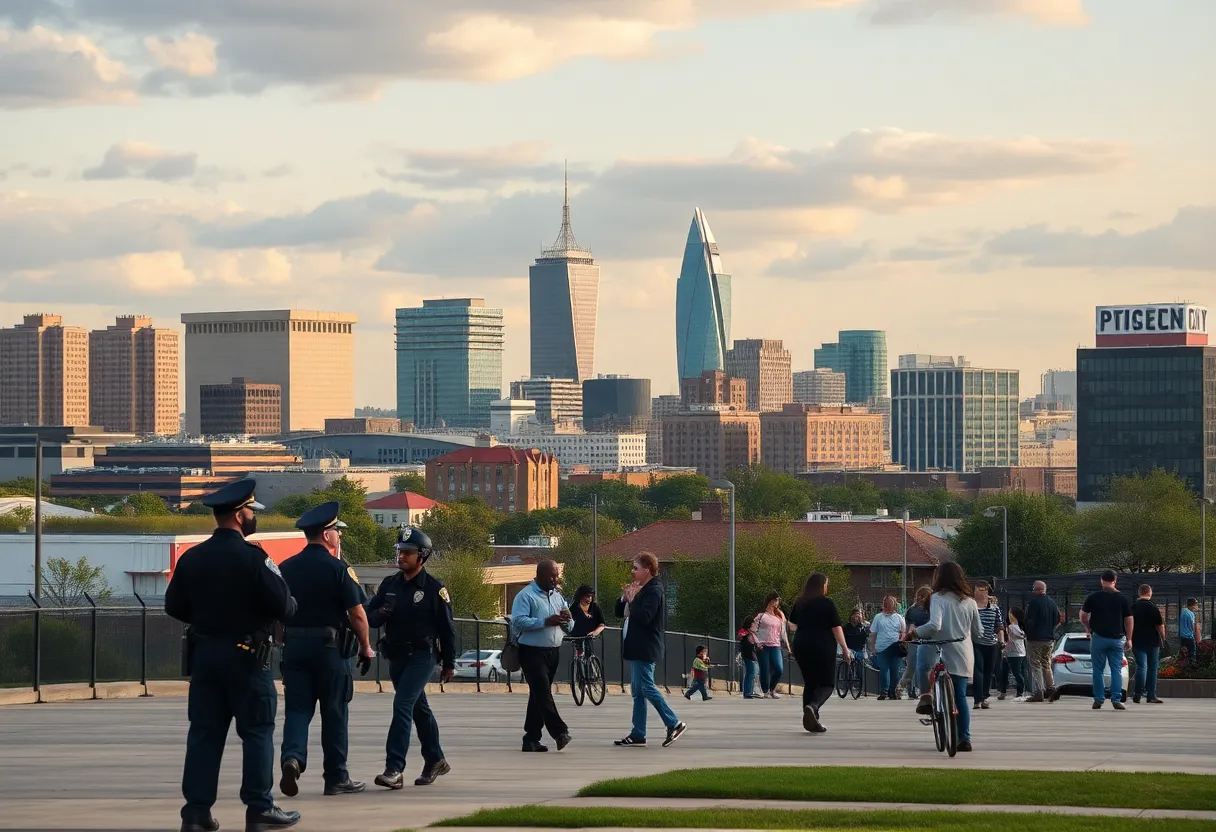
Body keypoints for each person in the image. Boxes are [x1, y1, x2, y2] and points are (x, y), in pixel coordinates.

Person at [164, 478, 301, 832]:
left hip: (205, 655)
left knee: (204, 734)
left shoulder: (193, 556)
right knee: (257, 731)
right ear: (240, 515)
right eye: (251, 511)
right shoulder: (254, 558)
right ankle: (259, 809)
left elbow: (173, 605)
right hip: (246, 656)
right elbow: (284, 606)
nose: (254, 516)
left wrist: (208, 621)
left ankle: (196, 812)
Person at [278, 502, 375, 798]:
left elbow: (275, 613)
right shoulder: (338, 569)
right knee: (334, 712)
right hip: (329, 650)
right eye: (337, 531)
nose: (339, 536)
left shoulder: (285, 568)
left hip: (294, 647)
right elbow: (357, 614)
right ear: (326, 534)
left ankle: (292, 758)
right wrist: (365, 646)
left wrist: (287, 640)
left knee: (297, 709)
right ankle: (336, 777)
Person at [366, 527, 455, 787]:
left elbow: (447, 629)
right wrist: (383, 612)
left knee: (402, 705)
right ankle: (435, 760)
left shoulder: (435, 589)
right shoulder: (389, 584)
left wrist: (448, 663)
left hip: (422, 655)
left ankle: (394, 769)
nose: (401, 556)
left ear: (422, 556)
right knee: (419, 709)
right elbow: (370, 618)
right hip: (396, 656)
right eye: (399, 551)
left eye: (407, 552)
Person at [907, 561, 984, 753]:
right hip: (962, 650)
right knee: (960, 695)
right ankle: (964, 738)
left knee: (925, 668)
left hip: (940, 647)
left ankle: (929, 699)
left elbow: (934, 626)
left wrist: (914, 633)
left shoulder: (937, 599)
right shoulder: (970, 601)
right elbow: (979, 632)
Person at [614, 552, 687, 747]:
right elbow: (618, 612)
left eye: (635, 568)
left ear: (647, 570)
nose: (632, 571)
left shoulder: (654, 590)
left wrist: (632, 600)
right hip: (635, 646)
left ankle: (674, 723)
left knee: (646, 687)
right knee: (638, 691)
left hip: (646, 647)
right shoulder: (639, 589)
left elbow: (645, 616)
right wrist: (624, 598)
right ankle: (638, 733)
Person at [511, 560, 574, 752]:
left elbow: (570, 625)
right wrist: (545, 621)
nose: (555, 580)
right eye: (551, 576)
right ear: (540, 575)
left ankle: (531, 738)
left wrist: (566, 621)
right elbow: (519, 621)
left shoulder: (558, 597)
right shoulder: (526, 596)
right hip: (531, 652)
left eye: (557, 576)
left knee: (538, 695)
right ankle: (560, 732)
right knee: (543, 692)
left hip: (553, 651)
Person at [788, 572, 852, 733]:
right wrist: (845, 649)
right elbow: (836, 628)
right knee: (826, 683)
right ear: (821, 585)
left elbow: (791, 625)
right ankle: (813, 707)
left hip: (801, 645)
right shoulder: (827, 603)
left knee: (810, 682)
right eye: (826, 584)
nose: (827, 587)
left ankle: (810, 717)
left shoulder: (800, 602)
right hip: (822, 645)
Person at [1079, 569, 1133, 710]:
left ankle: (1099, 699)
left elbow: (1083, 615)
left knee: (1098, 670)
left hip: (1098, 638)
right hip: (1116, 639)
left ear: (1101, 581)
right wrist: (1129, 638)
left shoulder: (1093, 597)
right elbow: (1129, 620)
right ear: (1115, 580)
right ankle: (1116, 699)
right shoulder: (1122, 598)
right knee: (1116, 670)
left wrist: (1088, 628)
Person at [1024, 581, 1063, 703]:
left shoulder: (1034, 603)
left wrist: (1027, 631)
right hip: (1049, 639)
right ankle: (1051, 688)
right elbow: (1058, 619)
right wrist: (1050, 629)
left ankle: (1039, 691)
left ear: (1036, 589)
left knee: (1035, 664)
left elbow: (1030, 621)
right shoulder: (1052, 603)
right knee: (1046, 663)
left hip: (1035, 639)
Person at [972, 580, 1005, 709]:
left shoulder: (993, 606)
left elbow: (999, 625)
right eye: (977, 590)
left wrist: (1001, 641)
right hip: (976, 642)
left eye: (982, 589)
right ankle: (977, 699)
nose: (980, 592)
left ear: (987, 591)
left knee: (988, 671)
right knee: (978, 670)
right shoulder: (972, 605)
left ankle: (984, 696)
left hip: (991, 644)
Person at [1130, 584, 1165, 705]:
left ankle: (1137, 694)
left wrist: (1128, 638)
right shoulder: (1153, 608)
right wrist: (1163, 638)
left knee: (1141, 666)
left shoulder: (1133, 607)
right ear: (1150, 592)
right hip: (1152, 642)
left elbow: (1127, 623)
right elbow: (1160, 625)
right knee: (1152, 668)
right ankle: (1151, 695)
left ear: (1140, 593)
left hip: (1136, 640)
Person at [751, 593, 791, 698]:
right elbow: (752, 629)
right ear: (771, 601)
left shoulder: (779, 616)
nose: (778, 602)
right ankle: (765, 691)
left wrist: (787, 644)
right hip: (763, 646)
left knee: (779, 669)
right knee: (765, 669)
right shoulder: (761, 616)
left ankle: (772, 689)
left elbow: (783, 632)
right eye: (777, 600)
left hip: (775, 645)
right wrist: (756, 641)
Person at [868, 595, 905, 700]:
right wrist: (873, 647)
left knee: (895, 670)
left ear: (894, 604)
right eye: (886, 602)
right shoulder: (878, 617)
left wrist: (901, 640)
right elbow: (873, 633)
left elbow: (903, 631)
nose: (888, 604)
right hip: (882, 648)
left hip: (895, 647)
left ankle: (892, 692)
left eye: (890, 602)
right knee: (884, 669)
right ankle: (884, 690)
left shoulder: (899, 617)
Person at [900, 586, 932, 699]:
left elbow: (908, 628)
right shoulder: (927, 610)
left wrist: (906, 639)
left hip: (914, 639)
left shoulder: (911, 610)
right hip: (924, 639)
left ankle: (902, 688)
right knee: (917, 666)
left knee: (912, 667)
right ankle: (909, 688)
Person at [999, 608, 1028, 701]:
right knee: (1005, 672)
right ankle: (1004, 691)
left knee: (1016, 673)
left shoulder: (1013, 627)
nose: (1009, 615)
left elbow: (1021, 635)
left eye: (1010, 613)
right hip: (1012, 652)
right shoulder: (1016, 627)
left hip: (1015, 653)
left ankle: (1019, 691)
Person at [569, 584, 606, 656]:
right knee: (577, 656)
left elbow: (602, 624)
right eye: (587, 596)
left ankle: (592, 665)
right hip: (577, 637)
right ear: (581, 596)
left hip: (589, 637)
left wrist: (595, 632)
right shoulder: (574, 607)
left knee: (589, 655)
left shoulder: (595, 608)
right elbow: (568, 620)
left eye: (591, 596)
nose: (589, 599)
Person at [738, 616, 760, 699]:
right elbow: (740, 636)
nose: (755, 626)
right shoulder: (745, 632)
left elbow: (756, 643)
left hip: (750, 654)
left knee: (751, 674)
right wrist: (747, 634)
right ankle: (748, 692)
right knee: (750, 674)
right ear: (750, 624)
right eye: (753, 624)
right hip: (747, 655)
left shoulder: (752, 634)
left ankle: (749, 692)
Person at [1179, 598, 1200, 667]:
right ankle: (1191, 667)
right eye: (1196, 605)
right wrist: (1196, 634)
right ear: (1193, 605)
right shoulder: (1190, 614)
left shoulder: (1182, 611)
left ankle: (1183, 667)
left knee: (1183, 653)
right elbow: (1192, 626)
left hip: (1182, 636)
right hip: (1189, 637)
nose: (1196, 607)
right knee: (1191, 653)